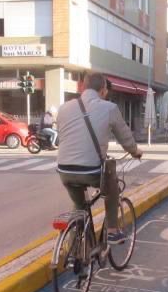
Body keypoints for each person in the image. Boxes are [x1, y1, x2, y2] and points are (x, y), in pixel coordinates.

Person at [57, 72, 143, 244]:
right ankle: (112, 230)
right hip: (91, 171)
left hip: (64, 169)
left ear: (82, 87)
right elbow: (125, 136)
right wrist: (135, 151)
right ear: (103, 90)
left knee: (79, 205)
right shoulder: (109, 108)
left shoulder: (64, 107)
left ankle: (72, 246)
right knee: (112, 187)